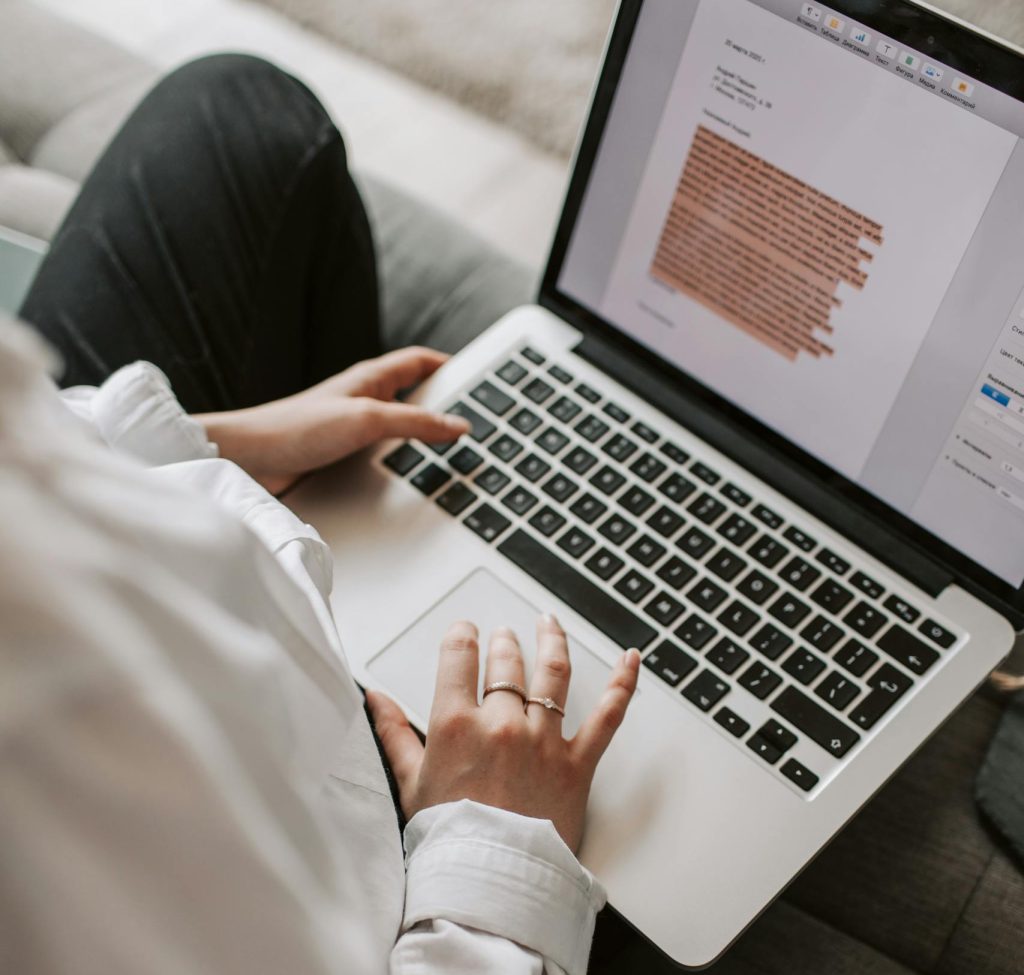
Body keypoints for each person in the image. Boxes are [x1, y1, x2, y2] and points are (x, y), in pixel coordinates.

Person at [0, 54, 642, 974]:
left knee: (239, 110)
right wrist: (497, 850)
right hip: (367, 882)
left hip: (159, 548)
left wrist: (210, 445)